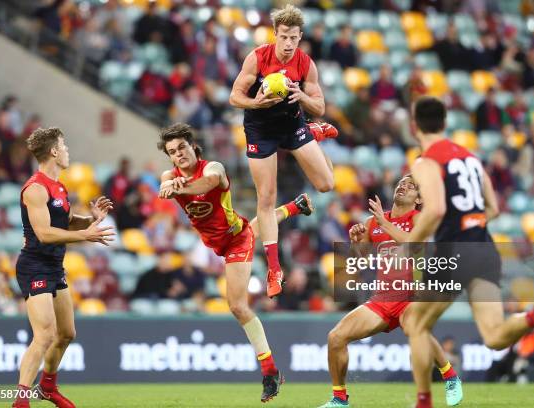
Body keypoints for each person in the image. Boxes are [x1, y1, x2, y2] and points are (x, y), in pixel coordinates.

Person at [402, 97, 534, 408]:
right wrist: (470, 224)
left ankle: (424, 401)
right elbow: (492, 208)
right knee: (493, 337)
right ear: (444, 122)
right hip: (483, 247)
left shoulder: (426, 162)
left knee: (416, 324)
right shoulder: (470, 158)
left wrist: (411, 242)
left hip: (452, 251)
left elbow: (436, 209)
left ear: (415, 127)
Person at [156, 123, 314, 402]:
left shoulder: (212, 167)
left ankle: (270, 371)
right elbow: (163, 185)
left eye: (182, 147)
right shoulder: (171, 174)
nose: (178, 154)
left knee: (237, 306)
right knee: (257, 227)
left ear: (193, 146)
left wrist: (180, 188)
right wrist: (168, 185)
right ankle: (294, 206)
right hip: (217, 242)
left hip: (234, 240)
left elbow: (209, 182)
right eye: (172, 151)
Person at [318, 175, 462, 408]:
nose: (403, 186)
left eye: (411, 186)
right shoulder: (373, 221)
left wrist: (385, 224)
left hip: (410, 294)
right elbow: (362, 258)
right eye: (401, 183)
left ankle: (450, 377)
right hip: (382, 299)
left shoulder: (419, 218)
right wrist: (356, 242)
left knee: (415, 328)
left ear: (419, 199)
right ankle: (340, 399)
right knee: (336, 337)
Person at [229, 4, 337, 298]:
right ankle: (274, 270)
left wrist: (301, 95)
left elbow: (321, 106)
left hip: (292, 125)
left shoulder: (305, 64)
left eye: (294, 38)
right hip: (261, 129)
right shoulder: (258, 58)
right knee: (266, 199)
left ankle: (315, 134)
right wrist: (256, 103)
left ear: (300, 37)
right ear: (276, 34)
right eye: (284, 37)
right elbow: (235, 96)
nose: (289, 44)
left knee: (327, 185)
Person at [13, 127, 115, 408]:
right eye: (64, 145)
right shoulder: (35, 187)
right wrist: (86, 236)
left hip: (54, 266)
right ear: (54, 152)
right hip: (34, 265)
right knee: (44, 334)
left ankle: (47, 387)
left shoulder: (59, 186)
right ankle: (21, 400)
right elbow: (45, 233)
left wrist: (89, 219)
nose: (68, 150)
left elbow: (65, 221)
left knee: (67, 333)